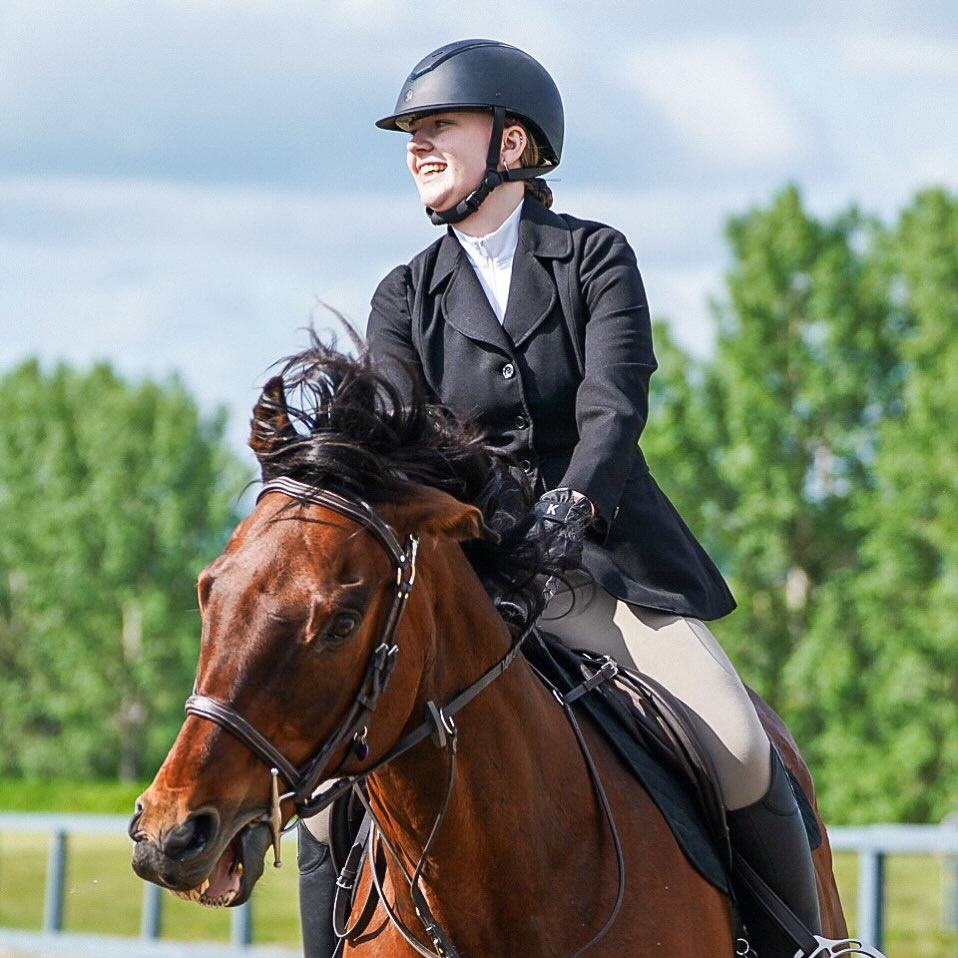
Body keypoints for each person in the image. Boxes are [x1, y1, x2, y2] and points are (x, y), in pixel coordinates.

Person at [298, 39, 821, 958]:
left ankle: (803, 949)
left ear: (512, 144)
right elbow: (405, 448)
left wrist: (573, 507)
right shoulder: (403, 296)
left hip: (601, 575)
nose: (418, 146)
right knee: (330, 798)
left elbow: (615, 406)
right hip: (466, 587)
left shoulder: (593, 259)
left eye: (438, 126)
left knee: (742, 749)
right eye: (410, 133)